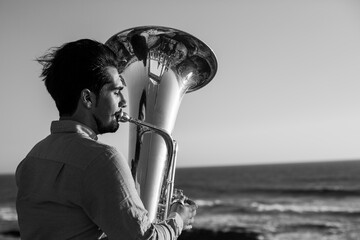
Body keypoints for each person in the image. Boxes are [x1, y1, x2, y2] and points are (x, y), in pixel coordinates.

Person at [16, 39, 197, 240]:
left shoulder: (30, 160)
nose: (124, 101)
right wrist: (177, 218)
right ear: (87, 98)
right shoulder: (102, 159)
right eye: (116, 91)